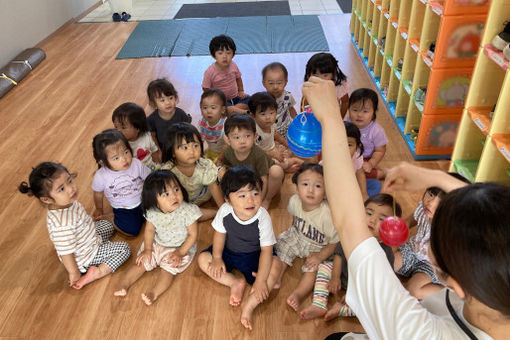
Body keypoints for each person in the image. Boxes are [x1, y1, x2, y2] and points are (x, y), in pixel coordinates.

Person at [303, 76, 510, 340]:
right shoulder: (489, 302)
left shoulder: (418, 332)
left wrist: (332, 118)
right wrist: (436, 178)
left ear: (454, 283)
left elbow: (348, 221)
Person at [19, 162, 130, 289]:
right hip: (87, 256)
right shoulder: (62, 224)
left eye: (69, 181)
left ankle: (101, 247)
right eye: (61, 189)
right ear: (46, 199)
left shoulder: (66, 202)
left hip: (89, 238)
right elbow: (66, 252)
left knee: (107, 225)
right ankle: (96, 272)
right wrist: (74, 272)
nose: (71, 188)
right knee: (124, 249)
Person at [197, 166, 280, 331]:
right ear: (228, 200)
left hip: (255, 254)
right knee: (202, 259)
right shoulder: (225, 211)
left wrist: (262, 280)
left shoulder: (262, 216)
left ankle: (249, 306)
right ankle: (234, 282)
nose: (250, 200)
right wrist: (217, 258)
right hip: (229, 251)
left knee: (276, 265)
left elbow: (266, 251)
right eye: (242, 195)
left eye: (255, 194)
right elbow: (219, 235)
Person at [300, 194, 401, 321]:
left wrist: (356, 294)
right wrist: (335, 277)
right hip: (343, 274)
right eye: (369, 213)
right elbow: (339, 254)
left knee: (379, 305)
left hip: (364, 287)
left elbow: (380, 281)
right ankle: (318, 303)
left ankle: (342, 310)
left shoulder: (385, 252)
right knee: (325, 267)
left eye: (381, 219)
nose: (372, 220)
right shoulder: (353, 235)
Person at [114, 171, 201, 305]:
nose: (174, 196)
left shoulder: (187, 211)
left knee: (168, 270)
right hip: (157, 243)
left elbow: (193, 235)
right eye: (166, 194)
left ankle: (154, 293)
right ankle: (124, 284)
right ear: (154, 200)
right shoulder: (153, 212)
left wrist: (180, 253)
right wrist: (148, 249)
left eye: (176, 189)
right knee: (141, 263)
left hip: (179, 247)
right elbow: (149, 230)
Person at [273, 162, 339, 313]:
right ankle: (277, 276)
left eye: (318, 186)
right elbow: (294, 219)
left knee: (312, 270)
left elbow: (335, 241)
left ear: (326, 192)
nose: (310, 190)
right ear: (296, 187)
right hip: (298, 234)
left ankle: (298, 294)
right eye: (305, 184)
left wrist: (320, 256)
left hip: (319, 247)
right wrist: (291, 234)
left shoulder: (327, 215)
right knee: (281, 245)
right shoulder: (294, 201)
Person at [394, 172, 470, 301]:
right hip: (413, 250)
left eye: (441, 203)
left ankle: (453, 295)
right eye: (431, 194)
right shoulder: (424, 210)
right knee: (386, 263)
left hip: (431, 265)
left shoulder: (450, 229)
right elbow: (410, 220)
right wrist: (399, 228)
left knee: (414, 290)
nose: (431, 203)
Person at [92, 129, 151, 236]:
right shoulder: (101, 176)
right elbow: (98, 193)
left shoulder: (136, 164)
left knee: (159, 218)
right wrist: (99, 208)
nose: (124, 159)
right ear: (102, 161)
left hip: (144, 201)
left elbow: (149, 178)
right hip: (123, 208)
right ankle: (111, 218)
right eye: (116, 158)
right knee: (132, 231)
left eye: (126, 152)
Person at [160, 122, 224, 220]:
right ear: (173, 152)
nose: (191, 151)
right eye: (185, 147)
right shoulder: (168, 171)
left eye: (195, 146)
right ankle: (215, 213)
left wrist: (223, 208)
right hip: (183, 202)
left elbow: (213, 187)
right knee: (188, 216)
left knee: (222, 174)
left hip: (203, 194)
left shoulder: (204, 165)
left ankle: (222, 211)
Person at [221, 113, 284, 209]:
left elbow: (264, 179)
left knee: (276, 171)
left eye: (247, 136)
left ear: (255, 136)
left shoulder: (258, 154)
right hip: (250, 183)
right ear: (228, 140)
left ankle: (268, 199)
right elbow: (225, 166)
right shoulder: (229, 152)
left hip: (267, 180)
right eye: (236, 137)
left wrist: (260, 200)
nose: (242, 141)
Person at [248, 91, 303, 172]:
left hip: (272, 148)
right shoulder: (254, 131)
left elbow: (275, 134)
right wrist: (272, 154)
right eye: (263, 114)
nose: (268, 117)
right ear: (253, 115)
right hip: (260, 155)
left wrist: (286, 143)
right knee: (277, 163)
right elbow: (253, 151)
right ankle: (290, 164)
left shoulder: (270, 123)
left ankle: (284, 165)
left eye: (271, 113)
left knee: (292, 149)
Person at [345, 88, 387, 180]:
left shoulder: (376, 131)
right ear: (349, 108)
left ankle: (381, 173)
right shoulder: (345, 125)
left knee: (361, 173)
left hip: (365, 160)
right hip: (347, 156)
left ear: (373, 112)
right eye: (355, 110)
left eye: (365, 111)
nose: (359, 115)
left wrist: (371, 164)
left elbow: (380, 151)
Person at [202, 35, 249, 115]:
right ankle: (244, 112)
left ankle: (232, 111)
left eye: (228, 53)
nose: (224, 56)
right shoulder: (210, 71)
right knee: (222, 107)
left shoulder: (233, 65)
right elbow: (205, 88)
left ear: (233, 54)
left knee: (250, 100)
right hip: (222, 101)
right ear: (213, 55)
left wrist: (241, 91)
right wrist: (214, 98)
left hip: (235, 97)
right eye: (220, 53)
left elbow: (238, 78)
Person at [112, 102, 161, 169]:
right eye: (116, 127)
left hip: (151, 168)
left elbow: (154, 152)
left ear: (138, 128)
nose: (119, 131)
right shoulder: (120, 144)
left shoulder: (147, 136)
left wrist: (158, 166)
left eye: (123, 127)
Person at [146, 78, 192, 148]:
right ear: (153, 103)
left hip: (179, 146)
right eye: (162, 100)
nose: (168, 103)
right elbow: (152, 136)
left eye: (170, 98)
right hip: (163, 148)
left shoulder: (181, 114)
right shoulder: (152, 119)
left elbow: (187, 131)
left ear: (175, 97)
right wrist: (158, 151)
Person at [302, 53, 349, 118]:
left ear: (334, 73)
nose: (320, 79)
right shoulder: (310, 86)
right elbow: (305, 103)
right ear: (309, 74)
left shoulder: (339, 87)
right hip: (314, 117)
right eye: (315, 75)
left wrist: (340, 118)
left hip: (332, 118)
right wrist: (306, 117)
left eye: (325, 75)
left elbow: (345, 103)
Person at [261, 62, 298, 138]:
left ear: (285, 83)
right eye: (271, 83)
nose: (275, 87)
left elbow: (291, 109)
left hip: (286, 129)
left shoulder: (288, 96)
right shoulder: (262, 100)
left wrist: (297, 121)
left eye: (279, 83)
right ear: (264, 83)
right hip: (270, 131)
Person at [198, 88, 227, 164]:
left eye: (213, 107)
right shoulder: (202, 123)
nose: (209, 111)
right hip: (211, 152)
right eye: (205, 107)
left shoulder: (226, 124)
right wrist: (199, 154)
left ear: (223, 110)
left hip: (225, 154)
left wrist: (220, 159)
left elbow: (226, 145)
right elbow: (198, 141)